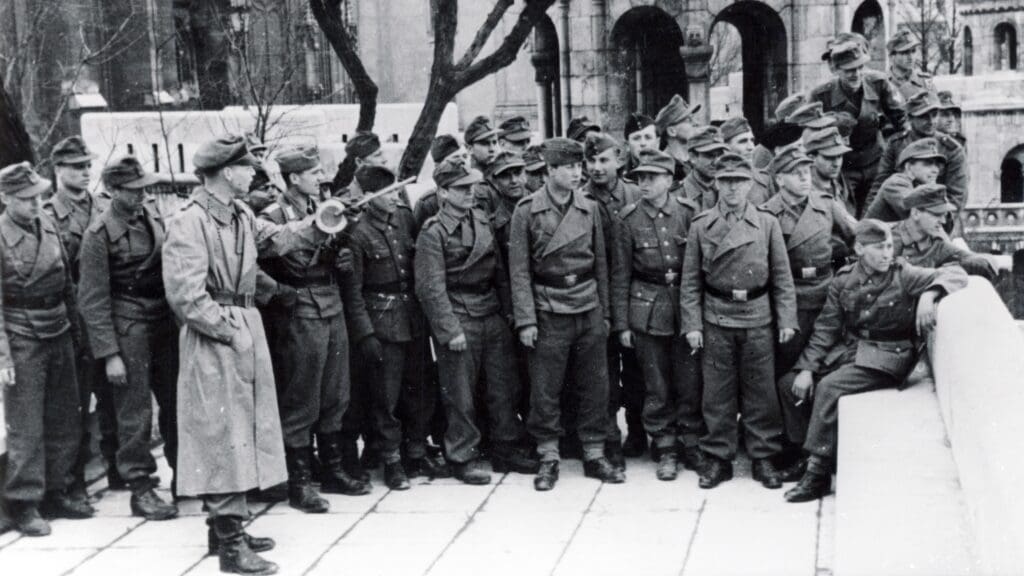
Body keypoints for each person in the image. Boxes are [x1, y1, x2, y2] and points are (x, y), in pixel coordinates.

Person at [162, 134, 327, 574]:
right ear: (225, 172)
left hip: (242, 323)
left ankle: (224, 530)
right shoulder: (189, 221)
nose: (254, 173)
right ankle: (232, 546)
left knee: (243, 427)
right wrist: (228, 332)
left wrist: (321, 222)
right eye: (246, 167)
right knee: (220, 430)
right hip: (216, 333)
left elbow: (276, 240)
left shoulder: (238, 214)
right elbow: (186, 296)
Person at [784, 219, 968, 503]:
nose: (887, 254)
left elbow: (956, 273)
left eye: (890, 246)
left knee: (830, 387)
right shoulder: (844, 279)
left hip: (889, 356)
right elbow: (826, 328)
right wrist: (806, 368)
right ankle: (808, 456)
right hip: (855, 349)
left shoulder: (903, 274)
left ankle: (818, 476)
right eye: (879, 247)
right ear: (859, 248)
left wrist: (930, 294)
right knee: (788, 384)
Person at [258, 146, 372, 513]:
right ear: (293, 178)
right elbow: (256, 261)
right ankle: (300, 482)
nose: (320, 178)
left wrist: (341, 257)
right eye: (312, 173)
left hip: (330, 301)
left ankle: (333, 470)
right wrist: (279, 294)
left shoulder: (319, 209)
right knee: (302, 395)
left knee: (335, 392)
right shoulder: (274, 214)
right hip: (300, 307)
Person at [509, 137, 626, 491]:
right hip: (549, 306)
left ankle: (594, 452)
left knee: (595, 384)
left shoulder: (589, 207)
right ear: (549, 170)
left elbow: (602, 264)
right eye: (569, 167)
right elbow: (519, 271)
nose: (578, 173)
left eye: (579, 166)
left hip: (587, 303)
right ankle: (548, 455)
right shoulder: (527, 210)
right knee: (546, 387)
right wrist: (526, 319)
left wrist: (604, 313)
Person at [415, 159, 539, 484]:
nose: (470, 192)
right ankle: (461, 455)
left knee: (503, 386)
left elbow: (499, 273)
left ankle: (505, 447)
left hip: (490, 312)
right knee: (460, 393)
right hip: (459, 314)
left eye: (471, 186)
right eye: (461, 188)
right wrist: (448, 329)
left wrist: (509, 313)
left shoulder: (481, 220)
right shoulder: (433, 232)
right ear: (443, 192)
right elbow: (430, 288)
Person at [679, 153, 799, 490]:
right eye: (726, 181)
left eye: (739, 181)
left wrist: (786, 318)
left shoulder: (766, 223)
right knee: (717, 391)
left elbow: (781, 276)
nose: (732, 188)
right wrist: (693, 325)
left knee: (761, 389)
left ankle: (763, 455)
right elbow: (690, 282)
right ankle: (719, 456)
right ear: (716, 183)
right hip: (717, 315)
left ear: (750, 184)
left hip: (758, 315)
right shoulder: (701, 225)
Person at [77, 156, 179, 521]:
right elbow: (91, 299)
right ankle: (141, 487)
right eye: (134, 190)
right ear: (113, 191)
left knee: (175, 402)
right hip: (128, 326)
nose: (142, 195)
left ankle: (184, 475)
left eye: (144, 189)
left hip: (163, 323)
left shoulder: (151, 217)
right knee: (133, 412)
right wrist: (109, 354)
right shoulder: (98, 235)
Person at [760, 143, 855, 479]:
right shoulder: (767, 213)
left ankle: (820, 447)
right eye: (795, 174)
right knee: (786, 374)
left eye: (806, 172)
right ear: (780, 179)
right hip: (788, 301)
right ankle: (793, 445)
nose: (804, 178)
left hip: (826, 297)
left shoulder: (827, 205)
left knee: (819, 370)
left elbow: (858, 236)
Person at [0, 162, 84, 536]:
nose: (36, 204)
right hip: (21, 333)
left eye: (38, 197)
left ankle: (57, 490)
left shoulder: (47, 224)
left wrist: (78, 334)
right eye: (26, 199)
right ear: (4, 198)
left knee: (64, 415)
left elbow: (67, 282)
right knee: (26, 424)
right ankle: (24, 502)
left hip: (59, 327)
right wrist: (3, 355)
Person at [611, 149, 703, 480]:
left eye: (652, 177)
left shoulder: (689, 212)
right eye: (640, 178)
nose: (644, 183)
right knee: (657, 383)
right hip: (646, 309)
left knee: (689, 380)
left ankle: (690, 442)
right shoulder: (628, 218)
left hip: (684, 306)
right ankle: (664, 445)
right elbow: (620, 274)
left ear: (669, 180)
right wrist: (622, 323)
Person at [343, 165, 434, 491]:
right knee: (385, 397)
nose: (397, 195)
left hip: (412, 318)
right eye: (389, 192)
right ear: (369, 199)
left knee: (418, 388)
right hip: (382, 323)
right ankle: (391, 460)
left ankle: (415, 451)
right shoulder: (357, 233)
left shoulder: (403, 220)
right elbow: (353, 291)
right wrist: (365, 333)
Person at [43, 136, 112, 509]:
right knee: (75, 406)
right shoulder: (49, 215)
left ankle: (119, 470)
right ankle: (73, 483)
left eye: (88, 165)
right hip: (74, 322)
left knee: (117, 398)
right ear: (58, 170)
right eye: (76, 167)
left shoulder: (104, 206)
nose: (85, 172)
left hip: (109, 317)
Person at [582, 132, 643, 467]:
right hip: (599, 300)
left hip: (636, 299)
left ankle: (637, 432)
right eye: (591, 161)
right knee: (602, 377)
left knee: (637, 372)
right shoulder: (581, 200)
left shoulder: (636, 193)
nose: (596, 167)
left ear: (619, 160)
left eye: (603, 160)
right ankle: (609, 441)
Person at [808, 40, 906, 216]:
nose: (857, 74)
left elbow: (902, 120)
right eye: (849, 70)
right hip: (843, 166)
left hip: (876, 161)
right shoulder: (821, 95)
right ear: (837, 70)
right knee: (845, 215)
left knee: (876, 213)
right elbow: (810, 135)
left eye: (860, 67)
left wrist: (897, 157)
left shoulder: (878, 83)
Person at [867, 90, 967, 211]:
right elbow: (879, 186)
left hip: (938, 216)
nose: (931, 121)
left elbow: (956, 197)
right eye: (924, 116)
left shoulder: (951, 149)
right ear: (910, 118)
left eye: (934, 114)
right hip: (901, 215)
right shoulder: (896, 144)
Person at [891, 184, 998, 280]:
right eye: (937, 214)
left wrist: (952, 267)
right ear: (916, 213)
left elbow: (986, 264)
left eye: (945, 215)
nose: (943, 221)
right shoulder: (887, 239)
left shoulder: (937, 243)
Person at [864, 137, 944, 222]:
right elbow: (921, 218)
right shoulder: (896, 183)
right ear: (908, 167)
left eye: (937, 165)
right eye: (928, 164)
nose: (936, 170)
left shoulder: (918, 184)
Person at [414, 134, 467, 230]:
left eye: (465, 156)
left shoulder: (475, 191)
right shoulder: (428, 204)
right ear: (438, 166)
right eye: (456, 158)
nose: (463, 162)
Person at [673, 126, 730, 211]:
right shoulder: (675, 196)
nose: (716, 162)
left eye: (719, 155)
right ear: (693, 157)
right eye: (709, 156)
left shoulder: (729, 191)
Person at [721, 116, 773, 204]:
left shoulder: (764, 179)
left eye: (752, 140)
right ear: (726, 147)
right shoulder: (715, 180)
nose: (751, 147)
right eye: (743, 141)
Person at [656, 94, 702, 182]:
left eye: (693, 118)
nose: (696, 123)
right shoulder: (662, 165)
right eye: (688, 120)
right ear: (672, 131)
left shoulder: (696, 159)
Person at [331, 131, 388, 199]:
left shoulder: (386, 187)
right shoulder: (347, 198)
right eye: (377, 155)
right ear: (359, 162)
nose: (385, 159)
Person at [886, 29, 936, 100]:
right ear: (892, 56)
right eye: (905, 52)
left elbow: (935, 107)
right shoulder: (883, 83)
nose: (911, 57)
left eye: (913, 51)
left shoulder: (925, 81)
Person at [622, 112, 659, 179]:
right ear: (627, 145)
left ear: (657, 142)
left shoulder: (669, 175)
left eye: (648, 137)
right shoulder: (621, 179)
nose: (643, 143)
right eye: (636, 138)